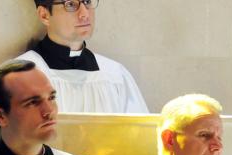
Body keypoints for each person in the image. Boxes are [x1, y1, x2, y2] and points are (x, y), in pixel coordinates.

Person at [17, 0, 148, 113]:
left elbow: (141, 137)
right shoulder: (20, 76)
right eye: (70, 4)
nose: (85, 14)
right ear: (44, 15)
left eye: (87, 2)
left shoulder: (115, 75)